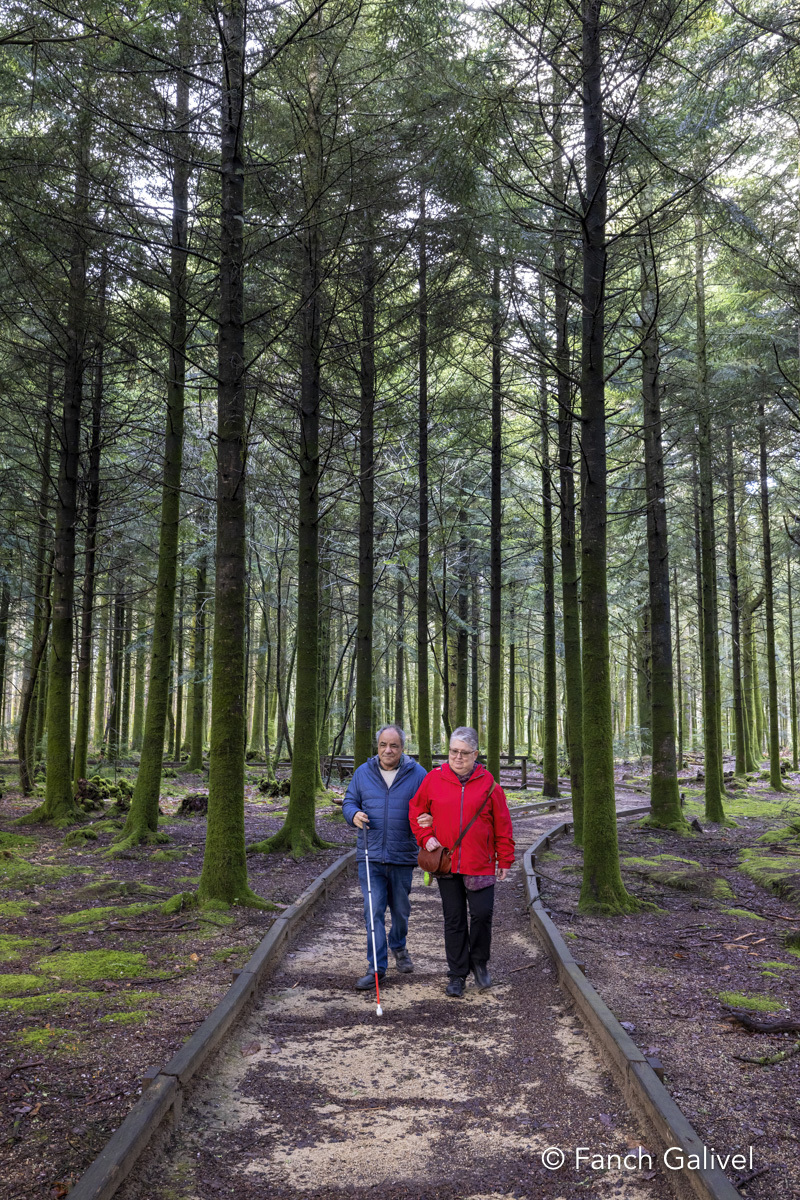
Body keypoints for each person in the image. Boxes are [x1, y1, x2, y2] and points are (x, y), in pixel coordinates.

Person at [409, 726, 514, 997]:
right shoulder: (433, 779)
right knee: (453, 919)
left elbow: (503, 824)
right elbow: (416, 811)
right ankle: (457, 974)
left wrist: (505, 858)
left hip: (480, 862)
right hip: (447, 862)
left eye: (464, 753)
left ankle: (479, 962)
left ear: (475, 754)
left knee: (482, 914)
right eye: (453, 751)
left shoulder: (489, 784)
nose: (457, 757)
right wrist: (425, 837)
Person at [343, 724, 428, 990]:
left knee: (401, 911)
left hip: (402, 855)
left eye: (393, 745)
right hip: (370, 855)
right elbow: (349, 802)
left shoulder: (418, 774)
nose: (387, 750)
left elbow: (430, 806)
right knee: (373, 911)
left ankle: (399, 945)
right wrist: (353, 814)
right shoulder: (363, 772)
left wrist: (429, 819)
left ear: (402, 748)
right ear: (377, 746)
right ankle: (376, 969)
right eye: (383, 745)